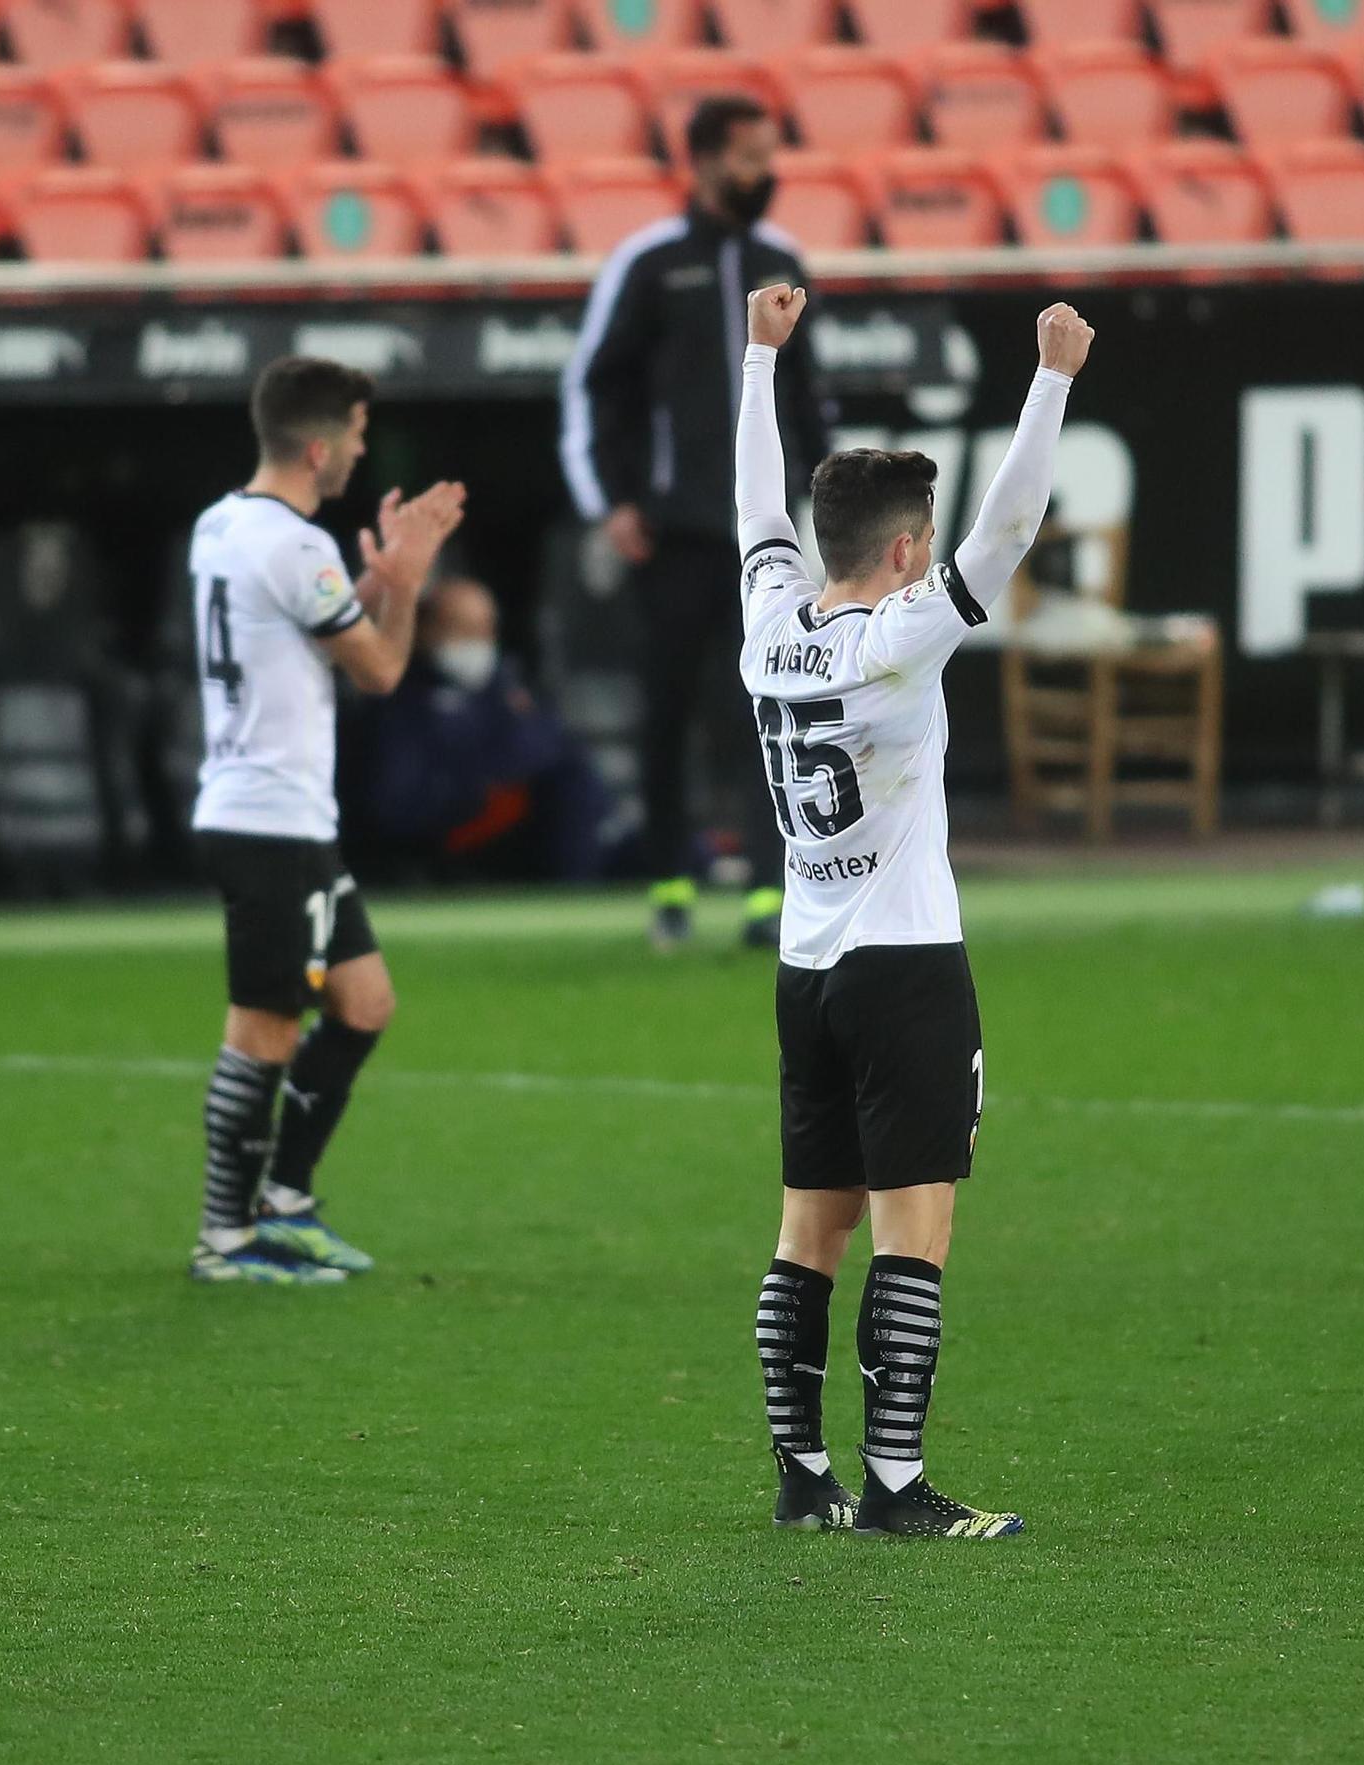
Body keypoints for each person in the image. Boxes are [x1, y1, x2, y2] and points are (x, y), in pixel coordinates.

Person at [737, 284, 1094, 1538]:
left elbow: (750, 505)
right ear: (902, 548)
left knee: (805, 1227)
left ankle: (799, 1473)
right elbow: (1008, 530)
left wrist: (757, 362)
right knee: (913, 1229)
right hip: (903, 964)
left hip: (804, 963)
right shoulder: (898, 637)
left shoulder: (766, 623)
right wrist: (1050, 382)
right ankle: (893, 1485)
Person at [188, 356, 465, 1284]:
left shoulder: (222, 526)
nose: (359, 447)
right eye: (353, 432)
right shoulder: (292, 545)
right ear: (317, 445)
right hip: (271, 820)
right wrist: (409, 579)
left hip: (269, 811)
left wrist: (375, 577)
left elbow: (313, 624)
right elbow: (379, 671)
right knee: (264, 1022)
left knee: (362, 1000)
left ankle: (286, 1200)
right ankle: (227, 1237)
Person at [559, 95, 832, 952]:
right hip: (674, 532)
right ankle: (670, 884)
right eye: (753, 154)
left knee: (768, 705)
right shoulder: (648, 263)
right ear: (707, 159)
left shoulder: (781, 261)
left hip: (766, 538)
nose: (768, 171)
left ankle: (767, 891)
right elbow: (594, 388)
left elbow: (809, 399)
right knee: (670, 710)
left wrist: (827, 505)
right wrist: (614, 501)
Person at [349, 574, 614, 882]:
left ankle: (579, 887)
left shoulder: (505, 686)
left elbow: (547, 747)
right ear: (427, 631)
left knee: (572, 780)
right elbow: (395, 797)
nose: (478, 642)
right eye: (463, 630)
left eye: (486, 630)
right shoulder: (399, 694)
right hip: (441, 827)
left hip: (511, 822)